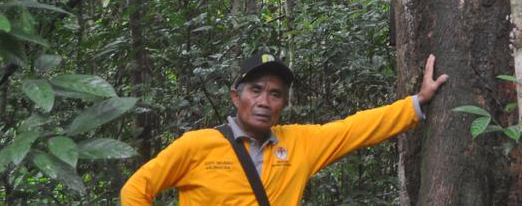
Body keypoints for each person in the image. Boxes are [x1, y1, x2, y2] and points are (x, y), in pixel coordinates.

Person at [120, 52, 448, 205]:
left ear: (284, 103)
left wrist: (417, 102)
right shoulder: (196, 145)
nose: (264, 101)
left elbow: (354, 129)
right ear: (237, 97)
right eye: (256, 90)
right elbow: (135, 191)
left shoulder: (299, 143)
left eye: (275, 94)